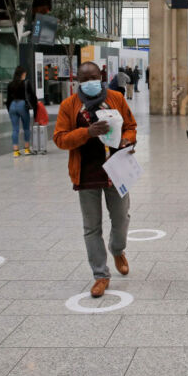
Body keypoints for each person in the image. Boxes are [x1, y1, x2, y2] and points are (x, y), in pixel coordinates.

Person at [53, 62, 137, 298]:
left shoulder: (115, 98)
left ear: (101, 76)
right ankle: (101, 275)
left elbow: (131, 127)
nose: (89, 82)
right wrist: (87, 132)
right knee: (92, 228)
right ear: (78, 80)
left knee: (121, 219)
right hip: (86, 173)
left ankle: (118, 249)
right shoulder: (69, 106)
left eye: (93, 77)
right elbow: (60, 139)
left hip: (116, 171)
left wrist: (127, 141)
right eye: (83, 79)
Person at [5, 66, 37, 157]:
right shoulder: (26, 83)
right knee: (26, 128)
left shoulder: (11, 84)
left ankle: (15, 151)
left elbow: (8, 99)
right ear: (23, 74)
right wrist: (35, 107)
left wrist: (9, 109)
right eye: (25, 73)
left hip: (12, 105)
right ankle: (26, 149)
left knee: (15, 129)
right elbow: (32, 95)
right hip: (22, 105)